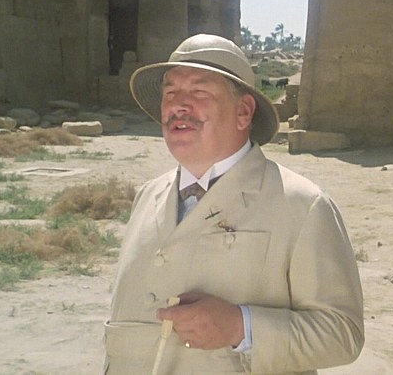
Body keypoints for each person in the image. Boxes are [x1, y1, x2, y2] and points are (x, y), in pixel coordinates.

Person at [104, 34, 364, 374]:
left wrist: (240, 327)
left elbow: (342, 335)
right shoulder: (147, 196)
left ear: (243, 112)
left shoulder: (303, 206)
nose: (179, 106)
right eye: (170, 93)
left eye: (199, 91)